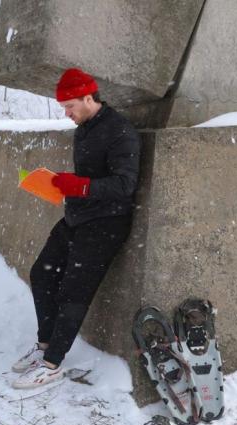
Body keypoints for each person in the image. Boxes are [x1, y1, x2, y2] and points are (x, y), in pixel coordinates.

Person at [11, 68, 141, 389]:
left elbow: (125, 184)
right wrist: (60, 185)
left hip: (105, 224)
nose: (66, 114)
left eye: (70, 106)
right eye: (64, 108)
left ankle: (52, 364)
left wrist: (79, 187)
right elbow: (89, 178)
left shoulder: (120, 131)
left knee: (74, 291)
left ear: (88, 98)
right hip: (77, 217)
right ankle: (43, 346)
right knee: (42, 273)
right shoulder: (84, 127)